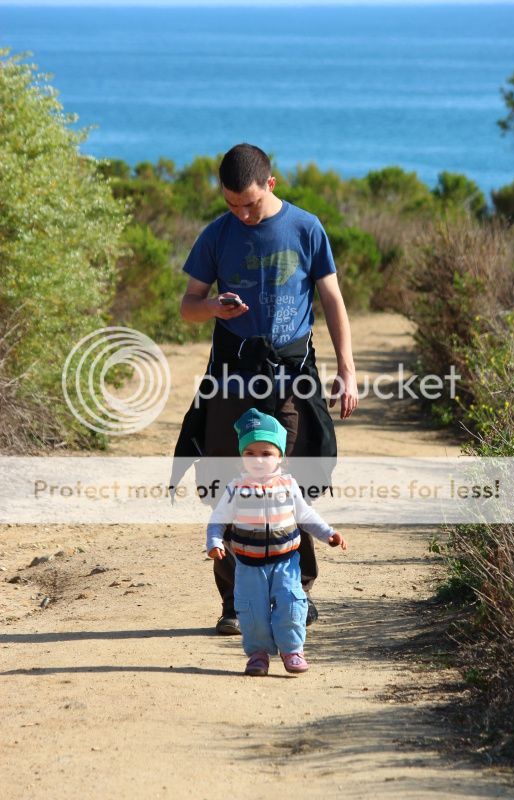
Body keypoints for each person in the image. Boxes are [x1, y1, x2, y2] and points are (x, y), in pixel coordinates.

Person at [175, 143, 357, 634]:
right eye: (232, 204)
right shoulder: (217, 234)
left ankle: (297, 593)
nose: (242, 214)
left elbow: (332, 299)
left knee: (286, 480)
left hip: (291, 375)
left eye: (250, 203)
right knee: (230, 482)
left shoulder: (306, 228)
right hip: (232, 374)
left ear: (270, 185)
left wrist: (347, 367)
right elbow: (188, 305)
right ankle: (234, 604)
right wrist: (212, 307)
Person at [207, 408, 347, 676]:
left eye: (266, 453)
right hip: (249, 566)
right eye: (250, 453)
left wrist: (328, 533)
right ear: (241, 456)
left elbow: (306, 516)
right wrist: (214, 542)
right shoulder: (235, 489)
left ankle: (292, 650)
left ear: (280, 456)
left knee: (291, 604)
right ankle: (258, 654)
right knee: (253, 612)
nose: (258, 460)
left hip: (286, 563)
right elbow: (218, 520)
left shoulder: (288, 486)